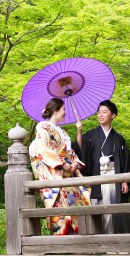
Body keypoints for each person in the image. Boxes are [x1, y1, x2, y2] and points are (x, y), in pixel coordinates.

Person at [29, 98, 91, 235]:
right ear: (55, 111)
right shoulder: (43, 128)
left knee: (77, 210)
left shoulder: (63, 132)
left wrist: (75, 163)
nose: (65, 113)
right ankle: (63, 247)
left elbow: (71, 152)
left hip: (69, 176)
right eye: (63, 110)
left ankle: (80, 246)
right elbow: (42, 150)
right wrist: (63, 164)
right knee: (61, 212)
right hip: (55, 175)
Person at [77, 100, 130, 234]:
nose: (100, 115)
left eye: (104, 112)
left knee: (117, 210)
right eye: (99, 112)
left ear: (113, 115)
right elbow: (80, 149)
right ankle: (102, 243)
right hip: (98, 176)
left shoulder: (119, 138)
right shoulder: (90, 134)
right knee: (100, 209)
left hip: (115, 176)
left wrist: (125, 179)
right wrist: (79, 132)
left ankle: (120, 241)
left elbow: (125, 160)